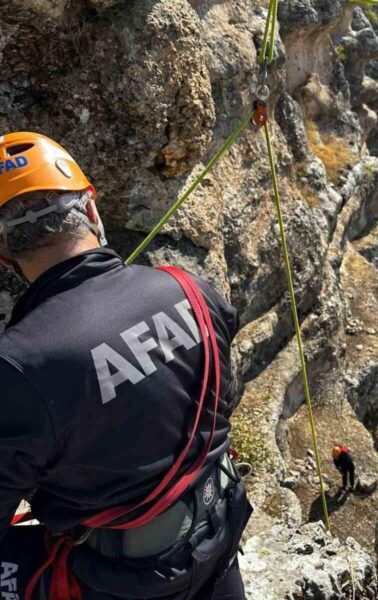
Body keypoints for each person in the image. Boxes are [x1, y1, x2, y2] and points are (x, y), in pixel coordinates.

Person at [0, 132, 252, 599]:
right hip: (216, 543)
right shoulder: (192, 291)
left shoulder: (18, 366)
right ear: (92, 212)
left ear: (4, 256)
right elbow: (222, 398)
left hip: (116, 582)